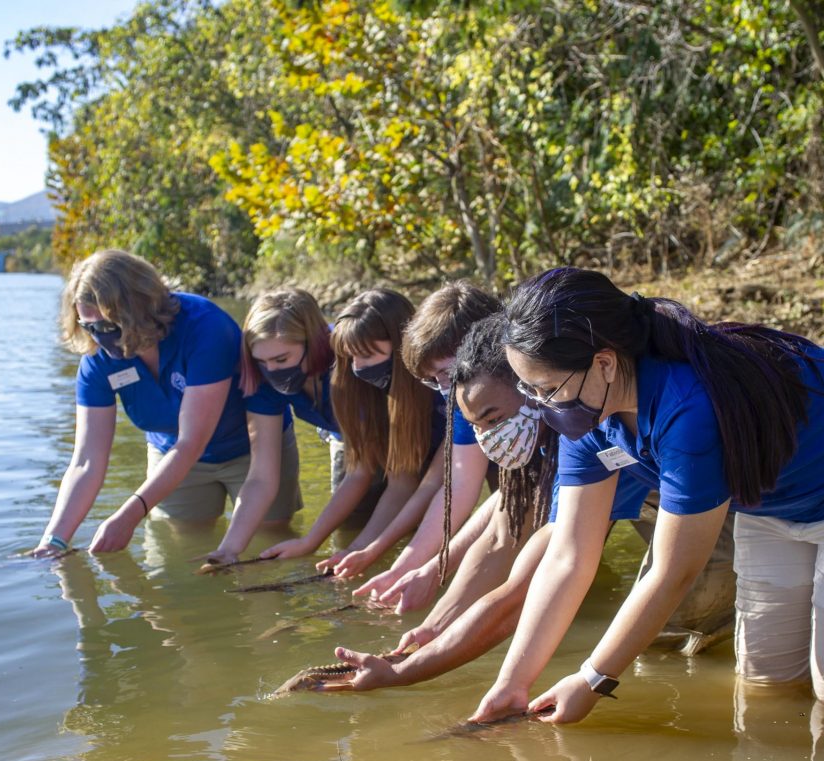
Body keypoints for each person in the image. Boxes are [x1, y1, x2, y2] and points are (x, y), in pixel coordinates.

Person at [472, 267, 824, 725]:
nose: (541, 406)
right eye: (530, 391)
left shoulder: (687, 405)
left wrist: (593, 678)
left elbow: (673, 572)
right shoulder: (587, 414)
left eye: (547, 389)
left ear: (604, 362)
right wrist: (513, 684)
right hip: (775, 508)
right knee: (763, 682)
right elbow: (569, 556)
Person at [329, 313, 734, 690]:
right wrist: (435, 631)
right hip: (656, 490)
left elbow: (524, 588)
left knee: (672, 635)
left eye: (492, 418)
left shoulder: (588, 419)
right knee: (648, 637)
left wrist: (403, 672)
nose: (489, 436)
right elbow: (504, 532)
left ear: (528, 380)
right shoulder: (545, 426)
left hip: (717, 502)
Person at [33, 249, 290, 556]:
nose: (98, 337)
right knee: (179, 548)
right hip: (171, 455)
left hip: (251, 448)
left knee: (267, 541)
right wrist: (54, 540)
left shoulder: (205, 328)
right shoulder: (97, 361)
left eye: (107, 326)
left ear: (139, 310)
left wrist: (129, 514)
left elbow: (192, 440)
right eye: (88, 326)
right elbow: (87, 460)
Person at [333, 282, 501, 612]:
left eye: (445, 375)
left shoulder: (537, 385)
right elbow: (456, 488)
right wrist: (403, 567)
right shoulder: (462, 394)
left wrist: (431, 572)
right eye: (432, 380)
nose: (444, 389)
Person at [258, 288, 444, 562]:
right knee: (355, 528)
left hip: (453, 453)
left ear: (401, 344)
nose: (358, 368)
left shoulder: (440, 384)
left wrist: (369, 550)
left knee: (429, 528)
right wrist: (319, 544)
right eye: (350, 357)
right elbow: (368, 474)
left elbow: (428, 486)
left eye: (367, 355)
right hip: (402, 452)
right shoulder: (362, 384)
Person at [202, 289, 333, 565]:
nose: (272, 370)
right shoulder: (265, 381)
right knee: (351, 527)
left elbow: (369, 467)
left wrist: (312, 541)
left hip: (403, 438)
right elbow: (261, 476)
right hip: (345, 440)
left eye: (282, 359)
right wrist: (229, 549)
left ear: (314, 341)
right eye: (261, 362)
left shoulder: (347, 363)